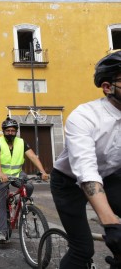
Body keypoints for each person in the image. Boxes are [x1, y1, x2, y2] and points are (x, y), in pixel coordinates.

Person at [50, 51, 121, 268]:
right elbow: (86, 171)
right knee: (83, 249)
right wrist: (110, 223)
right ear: (108, 87)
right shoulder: (85, 116)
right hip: (68, 182)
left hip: (110, 176)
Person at [0, 117, 49, 243]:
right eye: (8, 130)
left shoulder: (21, 142)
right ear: (4, 131)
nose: (10, 133)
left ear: (16, 131)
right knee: (0, 204)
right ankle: (2, 232)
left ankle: (19, 201)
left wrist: (43, 172)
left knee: (29, 187)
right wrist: (1, 173)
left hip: (17, 174)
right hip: (0, 177)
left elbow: (33, 157)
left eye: (13, 130)